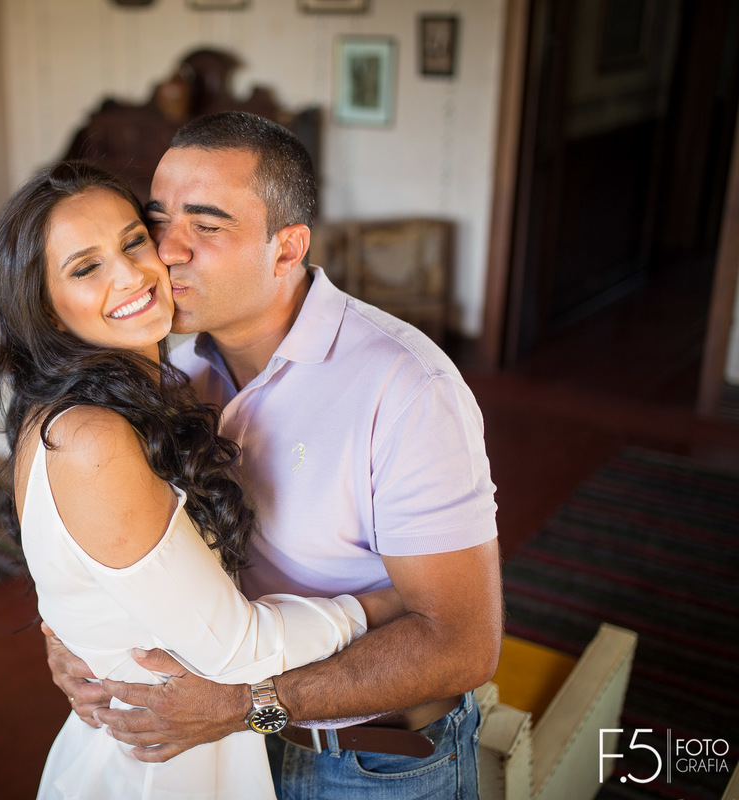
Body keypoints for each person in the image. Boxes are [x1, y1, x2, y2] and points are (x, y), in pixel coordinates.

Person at [45, 112, 502, 799]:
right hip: (222, 753)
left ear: (287, 248)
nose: (164, 252)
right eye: (157, 219)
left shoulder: (407, 387)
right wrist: (67, 632)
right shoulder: (163, 366)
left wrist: (243, 706)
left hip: (366, 763)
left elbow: (462, 645)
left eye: (206, 227)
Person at [0, 160, 409, 799]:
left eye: (131, 241)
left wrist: (73, 635)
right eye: (86, 267)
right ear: (46, 308)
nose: (131, 274)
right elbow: (234, 651)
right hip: (158, 773)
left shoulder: (157, 386)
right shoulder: (91, 437)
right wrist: (386, 604)